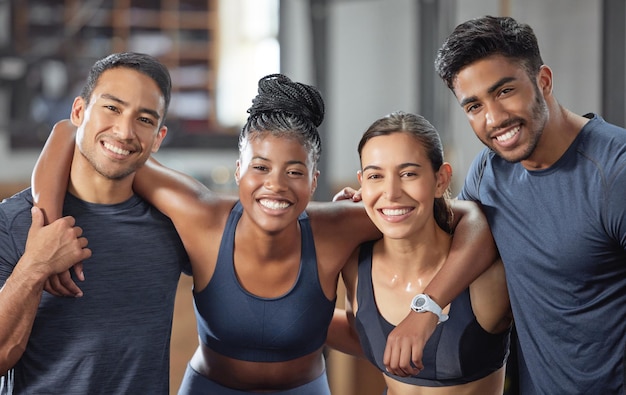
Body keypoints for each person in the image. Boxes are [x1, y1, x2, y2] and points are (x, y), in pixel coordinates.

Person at [35, 74, 497, 394]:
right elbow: (68, 132)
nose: (275, 185)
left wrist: (429, 306)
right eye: (259, 168)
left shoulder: (341, 225)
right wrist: (47, 230)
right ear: (238, 170)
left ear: (314, 181)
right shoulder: (200, 215)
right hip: (209, 390)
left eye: (294, 171)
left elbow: (473, 220)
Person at [430, 15, 626, 394]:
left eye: (504, 91)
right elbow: (446, 237)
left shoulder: (614, 172)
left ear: (544, 81)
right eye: (474, 106)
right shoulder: (489, 171)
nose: (494, 118)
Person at [0, 52, 190, 394]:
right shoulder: (13, 222)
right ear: (78, 112)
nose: (124, 131)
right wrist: (35, 266)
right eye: (112, 108)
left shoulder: (174, 226)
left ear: (158, 137)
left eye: (144, 119)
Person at [327, 111, 511, 395]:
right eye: (376, 176)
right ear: (361, 183)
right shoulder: (355, 264)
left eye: (408, 173)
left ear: (441, 180)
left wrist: (429, 308)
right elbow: (360, 334)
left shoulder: (484, 275)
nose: (391, 192)